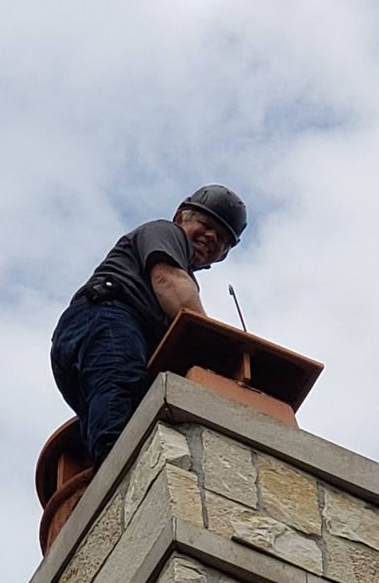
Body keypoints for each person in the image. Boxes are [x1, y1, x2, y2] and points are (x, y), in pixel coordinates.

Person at [50, 185, 247, 467]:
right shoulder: (165, 232)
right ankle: (120, 472)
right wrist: (219, 350)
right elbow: (170, 283)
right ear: (181, 218)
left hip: (94, 338)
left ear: (223, 255)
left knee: (122, 408)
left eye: (222, 238)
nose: (211, 237)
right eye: (206, 224)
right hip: (106, 317)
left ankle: (113, 469)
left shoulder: (183, 270)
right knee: (121, 395)